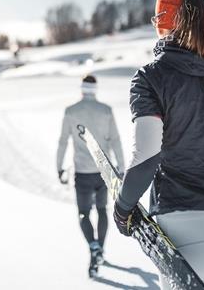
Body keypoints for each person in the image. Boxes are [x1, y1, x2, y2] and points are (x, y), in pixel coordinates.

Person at [113, 0, 204, 289]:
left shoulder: (151, 77)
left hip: (186, 235)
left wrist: (123, 207)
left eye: (158, 18)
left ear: (166, 22)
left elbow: (148, 153)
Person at [57, 75, 125, 278]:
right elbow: (115, 140)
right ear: (95, 90)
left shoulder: (71, 111)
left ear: (82, 89)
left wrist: (59, 167)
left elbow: (63, 142)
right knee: (102, 210)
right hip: (104, 172)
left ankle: (93, 246)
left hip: (82, 172)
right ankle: (100, 250)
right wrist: (121, 167)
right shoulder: (106, 110)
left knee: (84, 213)